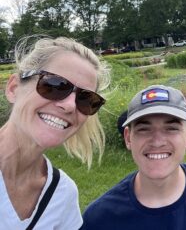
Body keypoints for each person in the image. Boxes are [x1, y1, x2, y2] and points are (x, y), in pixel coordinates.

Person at [82, 84, 186, 230]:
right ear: (128, 138)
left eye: (171, 128)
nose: (157, 141)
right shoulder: (100, 219)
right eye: (144, 129)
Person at [0, 36, 110, 229]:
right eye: (54, 85)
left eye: (86, 99)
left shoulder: (62, 194)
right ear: (13, 88)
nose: (69, 106)